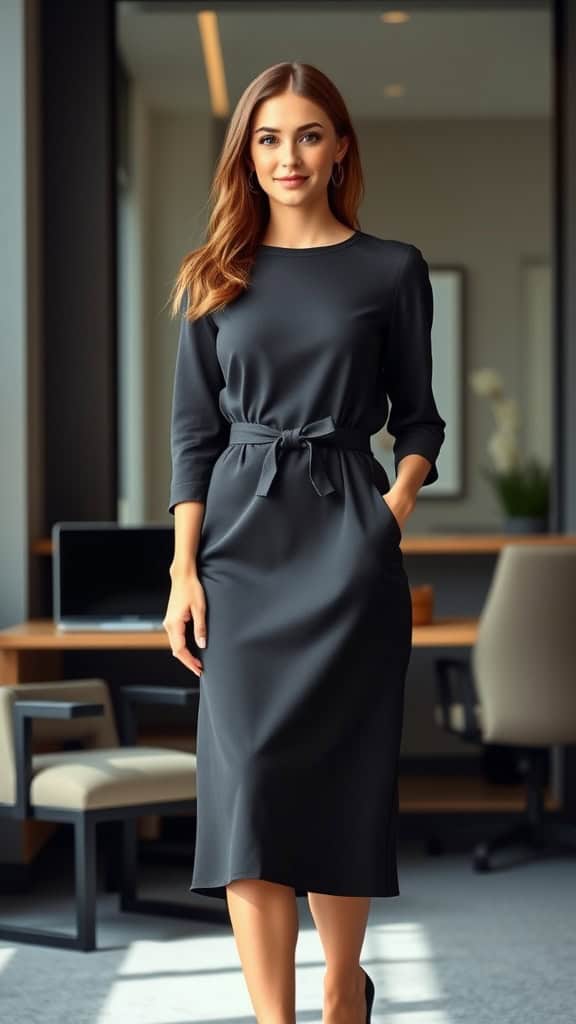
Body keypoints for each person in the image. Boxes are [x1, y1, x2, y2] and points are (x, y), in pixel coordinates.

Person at [163, 60, 446, 1024]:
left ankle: (339, 988)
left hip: (347, 548)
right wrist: (182, 573)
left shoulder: (391, 269)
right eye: (269, 138)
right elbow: (194, 439)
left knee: (340, 782)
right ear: (247, 152)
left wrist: (388, 516)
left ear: (340, 147)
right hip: (240, 555)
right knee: (247, 794)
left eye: (308, 134)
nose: (289, 156)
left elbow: (420, 423)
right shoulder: (214, 276)